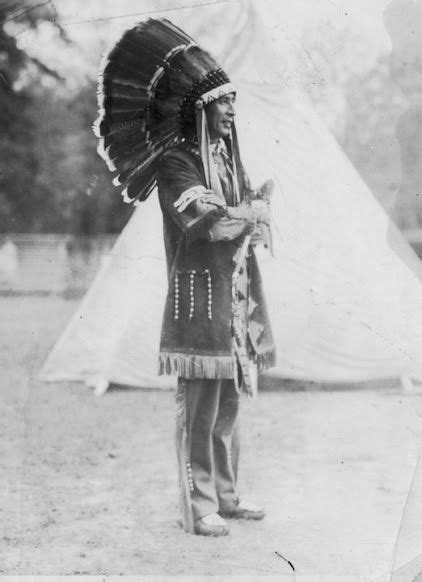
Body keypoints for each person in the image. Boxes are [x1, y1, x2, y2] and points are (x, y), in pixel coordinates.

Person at [95, 18, 276, 537]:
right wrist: (254, 211)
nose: (232, 112)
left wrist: (254, 209)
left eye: (234, 103)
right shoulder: (178, 162)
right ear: (202, 107)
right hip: (199, 301)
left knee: (229, 403)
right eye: (224, 103)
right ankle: (198, 508)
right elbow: (210, 221)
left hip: (234, 299)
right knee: (200, 406)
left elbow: (239, 216)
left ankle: (226, 495)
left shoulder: (225, 158)